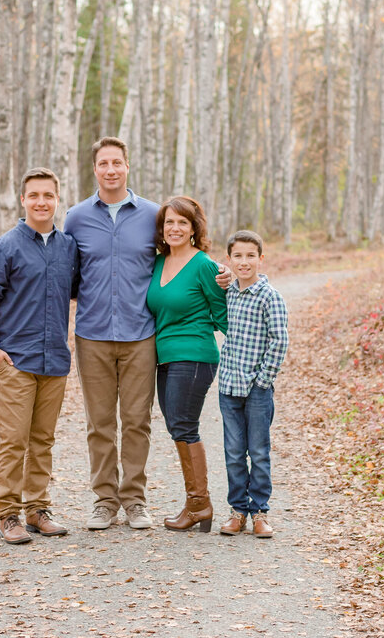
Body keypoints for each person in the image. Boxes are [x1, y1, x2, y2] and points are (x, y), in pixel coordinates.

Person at [0, 168, 79, 545]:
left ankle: (38, 509)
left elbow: (78, 292)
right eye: (34, 195)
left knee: (43, 439)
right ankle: (9, 514)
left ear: (57, 199)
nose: (41, 202)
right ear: (23, 200)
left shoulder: (68, 246)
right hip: (15, 360)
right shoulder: (5, 246)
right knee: (14, 440)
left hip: (54, 360)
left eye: (48, 195)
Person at [64, 138, 162, 530]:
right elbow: (68, 275)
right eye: (103, 163)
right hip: (93, 335)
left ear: (127, 166)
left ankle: (134, 500)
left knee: (137, 421)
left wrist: (219, 273)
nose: (110, 169)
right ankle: (105, 500)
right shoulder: (76, 217)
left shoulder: (154, 215)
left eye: (117, 162)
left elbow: (180, 258)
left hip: (141, 334)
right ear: (94, 169)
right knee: (100, 423)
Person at [145, 196, 228, 532]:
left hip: (194, 355)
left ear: (194, 228)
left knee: (184, 425)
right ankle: (197, 504)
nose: (175, 228)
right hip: (164, 356)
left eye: (183, 222)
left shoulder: (204, 266)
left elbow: (224, 316)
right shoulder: (157, 263)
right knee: (177, 426)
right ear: (162, 229)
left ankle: (199, 504)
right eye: (169, 222)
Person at [216, 230, 289, 538]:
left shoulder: (270, 296)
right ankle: (237, 510)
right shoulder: (229, 292)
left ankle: (259, 511)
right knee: (234, 452)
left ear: (261, 259)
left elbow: (279, 340)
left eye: (250, 256)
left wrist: (264, 380)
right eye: (237, 256)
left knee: (258, 451)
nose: (243, 262)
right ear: (229, 260)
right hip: (228, 387)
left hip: (257, 389)